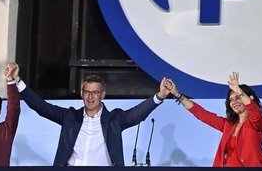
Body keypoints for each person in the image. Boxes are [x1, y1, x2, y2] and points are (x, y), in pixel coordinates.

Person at [11, 63, 170, 166]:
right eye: (87, 92)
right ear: (81, 93)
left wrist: (160, 96)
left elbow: (137, 114)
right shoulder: (70, 117)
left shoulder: (114, 119)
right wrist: (17, 80)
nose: (90, 97)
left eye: (95, 93)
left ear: (103, 94)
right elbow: (41, 107)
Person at [164, 72, 262, 167]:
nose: (234, 102)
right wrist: (177, 94)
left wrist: (238, 89)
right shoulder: (228, 124)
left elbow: (255, 113)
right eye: (231, 100)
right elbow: (202, 114)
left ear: (250, 98)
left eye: (238, 97)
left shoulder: (258, 121)